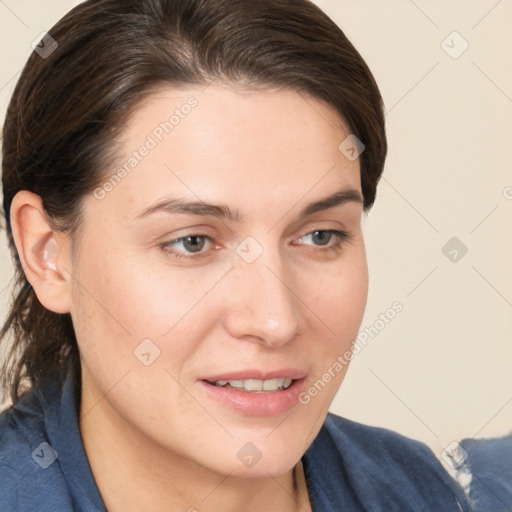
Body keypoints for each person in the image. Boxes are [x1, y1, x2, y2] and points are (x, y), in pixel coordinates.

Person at [0, 0, 507, 510]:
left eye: (320, 236)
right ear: (48, 253)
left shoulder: (448, 494)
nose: (275, 320)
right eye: (192, 242)